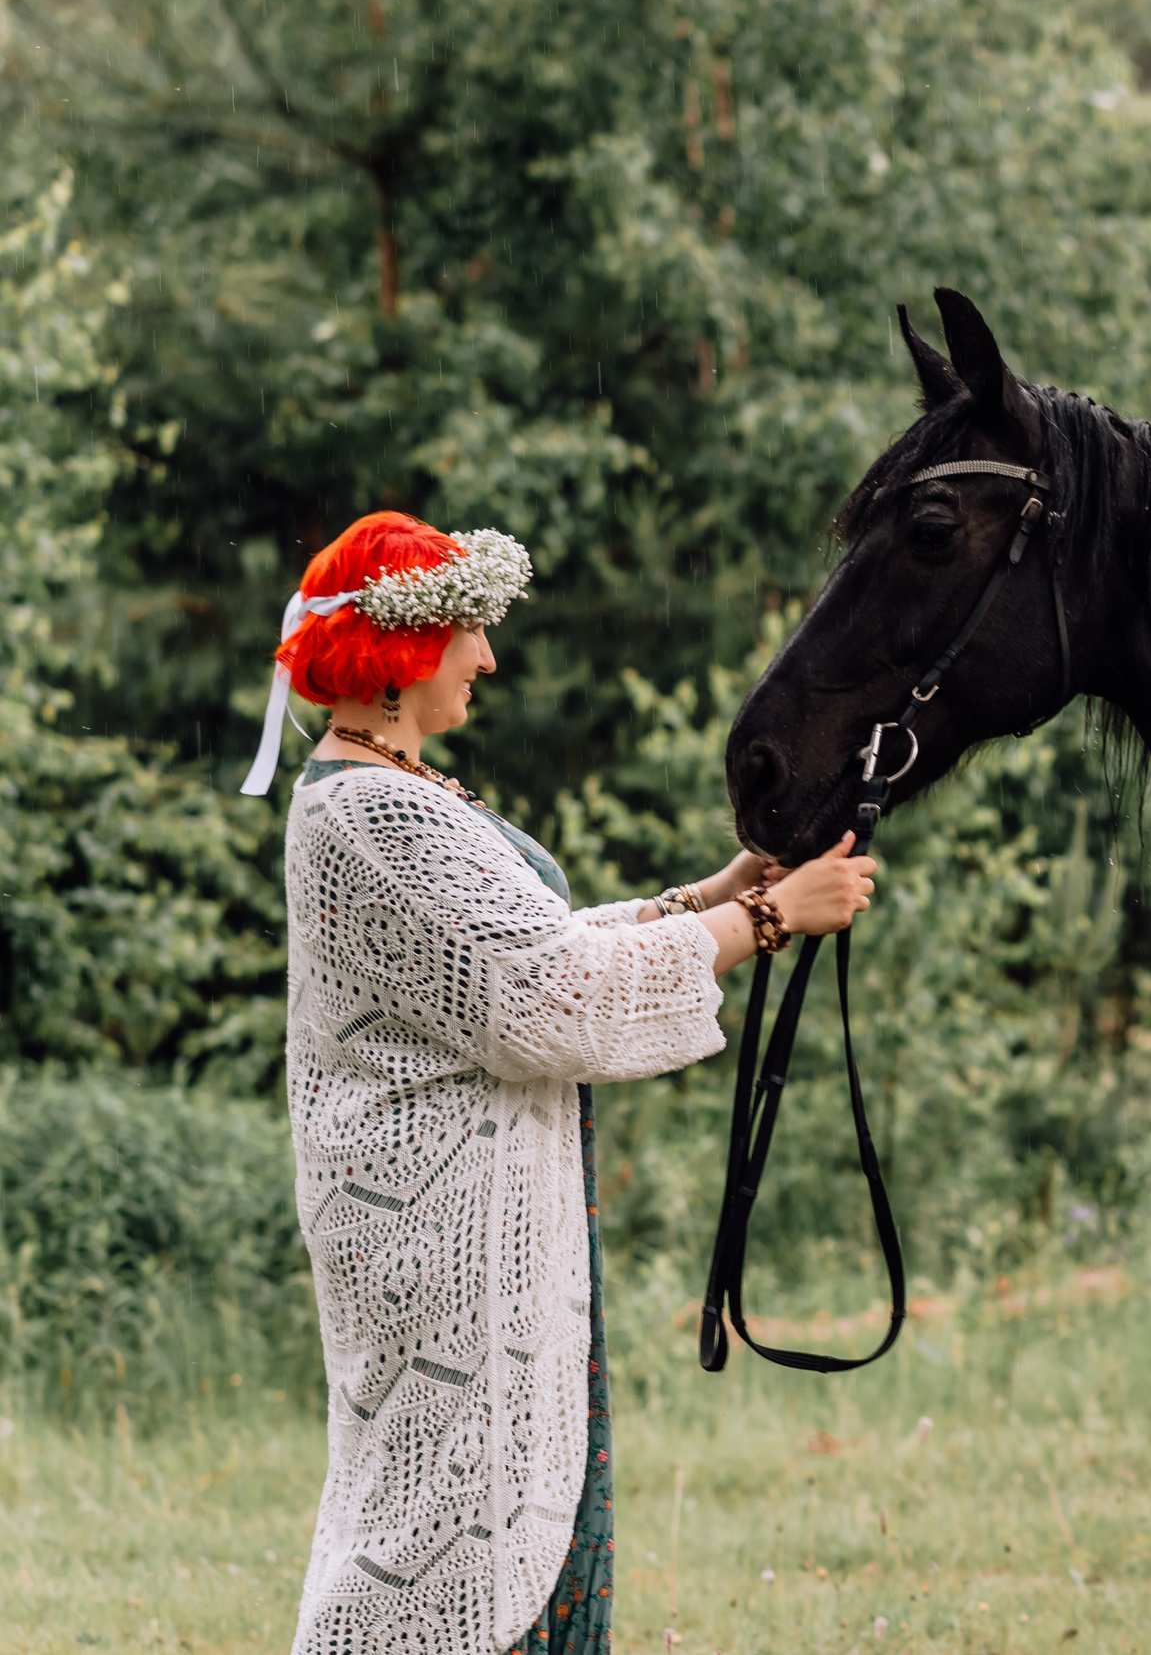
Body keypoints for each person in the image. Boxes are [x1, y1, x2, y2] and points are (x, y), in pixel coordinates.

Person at [242, 511, 874, 1655]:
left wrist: (715, 890)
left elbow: (527, 952)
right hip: (438, 1242)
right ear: (404, 648)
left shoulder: (396, 787)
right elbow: (541, 998)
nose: (486, 657)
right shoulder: (373, 810)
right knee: (436, 1543)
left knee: (495, 1509)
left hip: (487, 1228)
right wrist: (768, 918)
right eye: (470, 632)